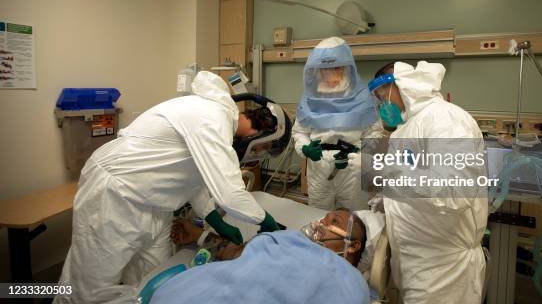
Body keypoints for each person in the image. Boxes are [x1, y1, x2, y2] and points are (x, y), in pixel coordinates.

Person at [54, 71, 285, 304]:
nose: (258, 153)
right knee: (88, 290)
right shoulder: (213, 118)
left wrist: (213, 217)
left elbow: (190, 175)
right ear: (260, 134)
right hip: (116, 193)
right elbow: (230, 195)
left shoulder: (216, 121)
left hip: (155, 203)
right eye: (263, 148)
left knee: (154, 278)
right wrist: (265, 220)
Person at [363, 61, 488, 304]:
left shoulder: (445, 119)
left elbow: (455, 193)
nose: (382, 105)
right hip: (416, 260)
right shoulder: (407, 128)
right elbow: (411, 180)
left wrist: (383, 169)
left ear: (401, 85)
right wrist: (384, 201)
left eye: (383, 96)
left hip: (443, 270)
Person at [151, 210, 369, 304]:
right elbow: (237, 253)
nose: (321, 223)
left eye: (335, 222)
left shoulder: (352, 281)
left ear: (354, 245)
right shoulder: (290, 238)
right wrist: (200, 235)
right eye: (324, 217)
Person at [292, 37, 383, 210]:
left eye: (336, 68)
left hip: (352, 168)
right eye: (325, 69)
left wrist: (361, 152)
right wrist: (305, 148)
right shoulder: (310, 97)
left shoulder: (363, 97)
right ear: (317, 70)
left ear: (347, 67)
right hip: (319, 167)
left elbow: (374, 132)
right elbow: (299, 132)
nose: (330, 74)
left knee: (354, 217)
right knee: (317, 214)